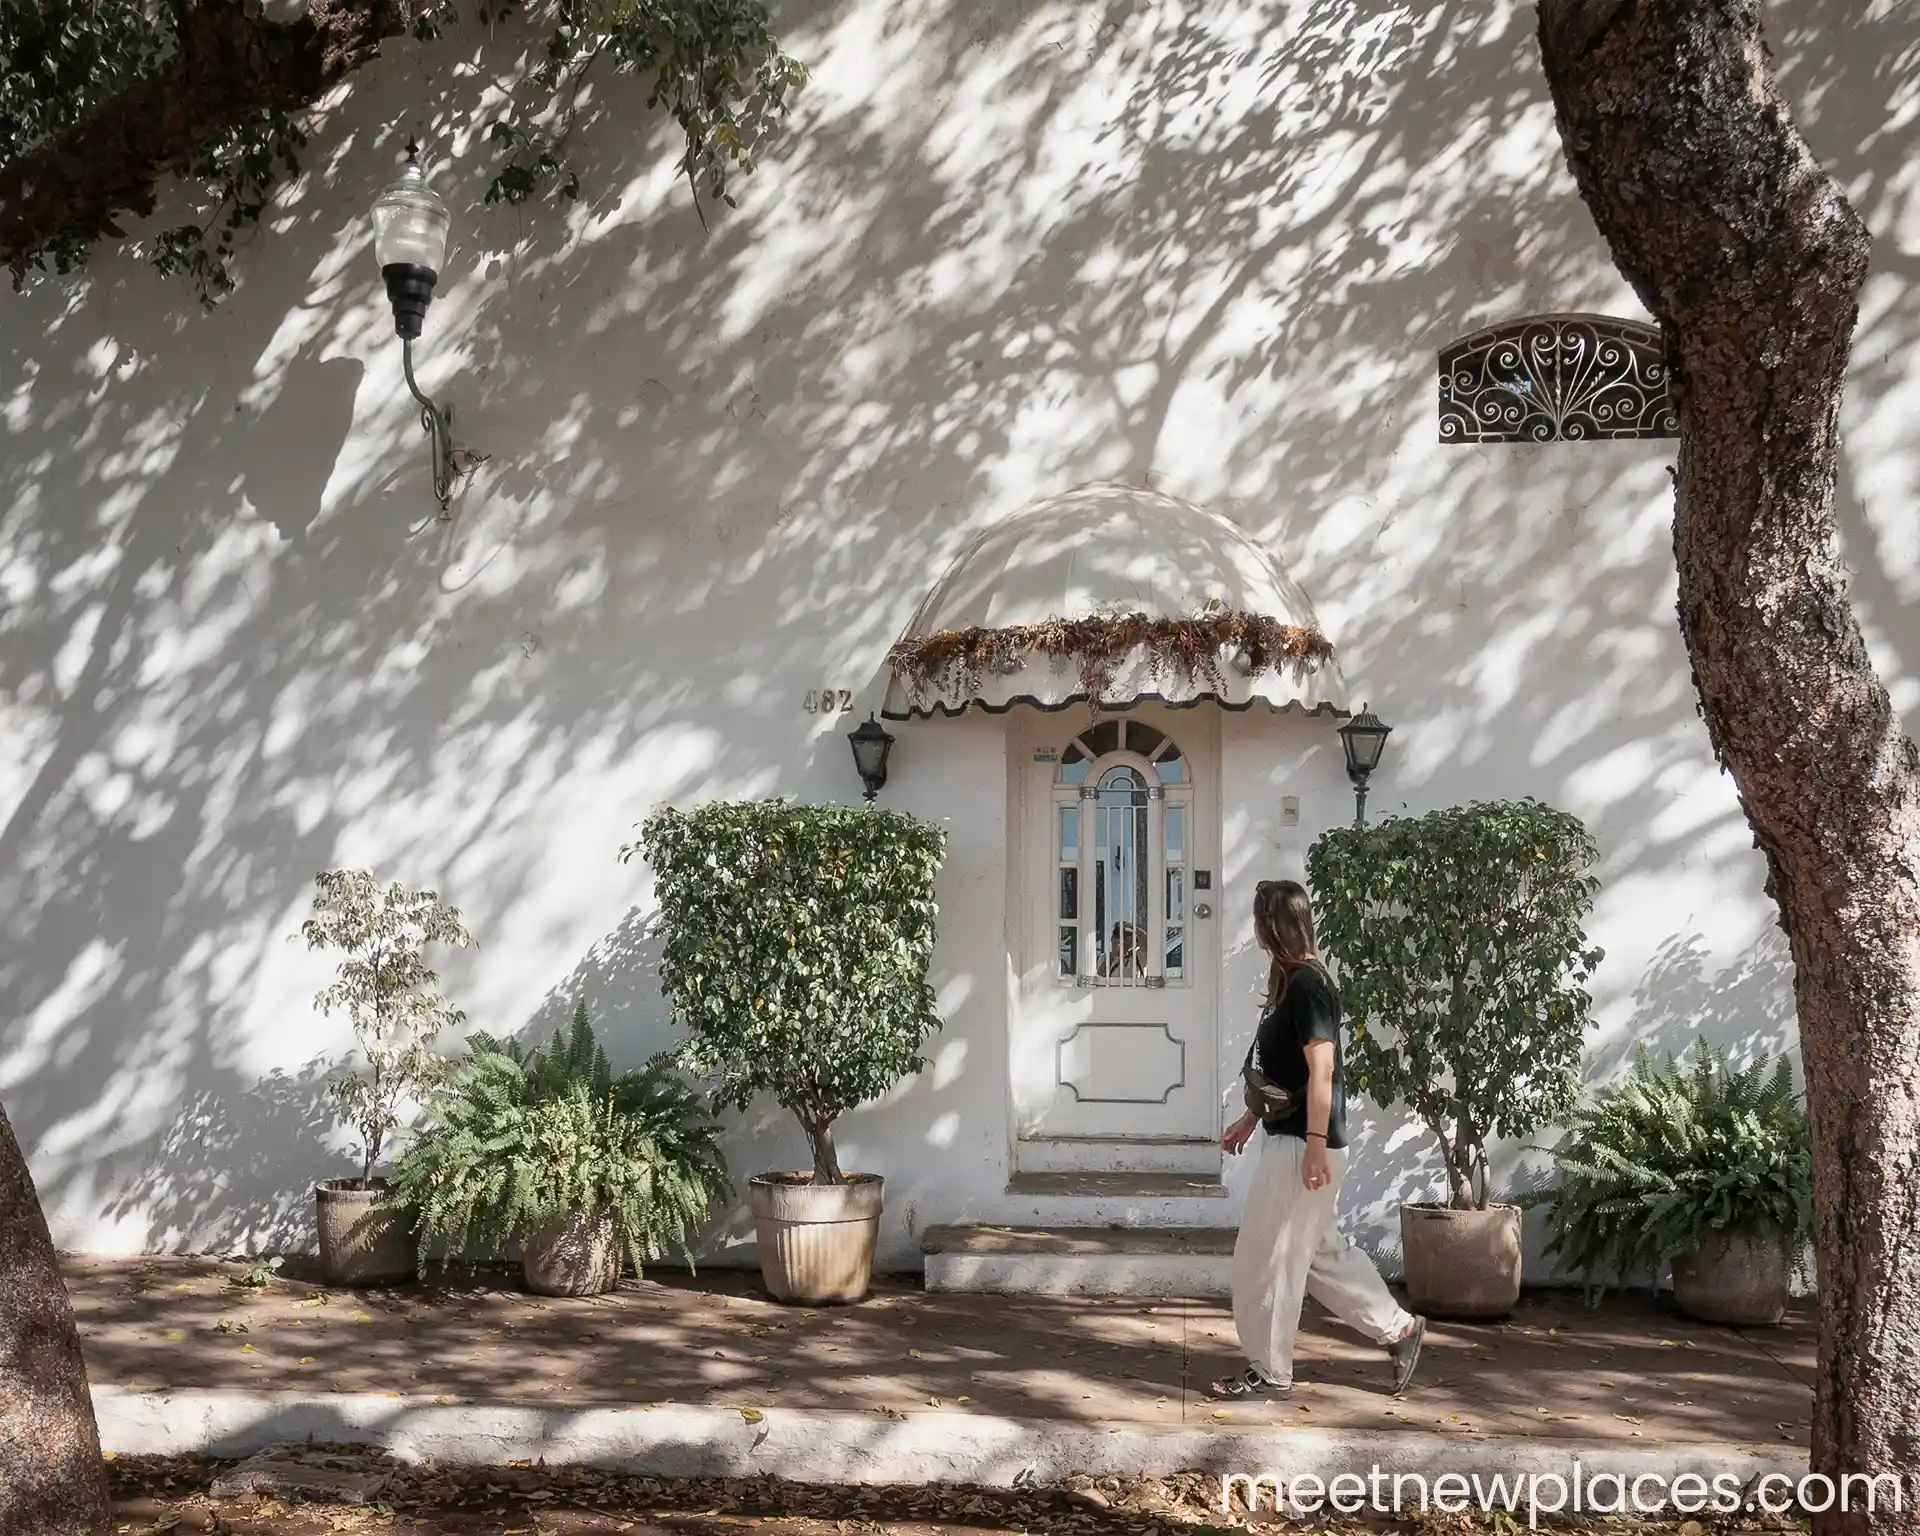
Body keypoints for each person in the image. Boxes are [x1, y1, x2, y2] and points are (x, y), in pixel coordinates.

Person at [1209, 878, 1425, 1400]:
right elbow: (1286, 1075)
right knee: (1321, 1253)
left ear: (1273, 925)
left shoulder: (1308, 984)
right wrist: (1250, 1119)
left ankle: (1270, 1369)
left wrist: (1311, 1144)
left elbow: (1322, 1071)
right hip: (1297, 1139)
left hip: (1305, 1146)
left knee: (1268, 1258)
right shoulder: (1291, 981)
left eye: (1260, 919)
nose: (1255, 929)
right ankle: (1399, 1329)